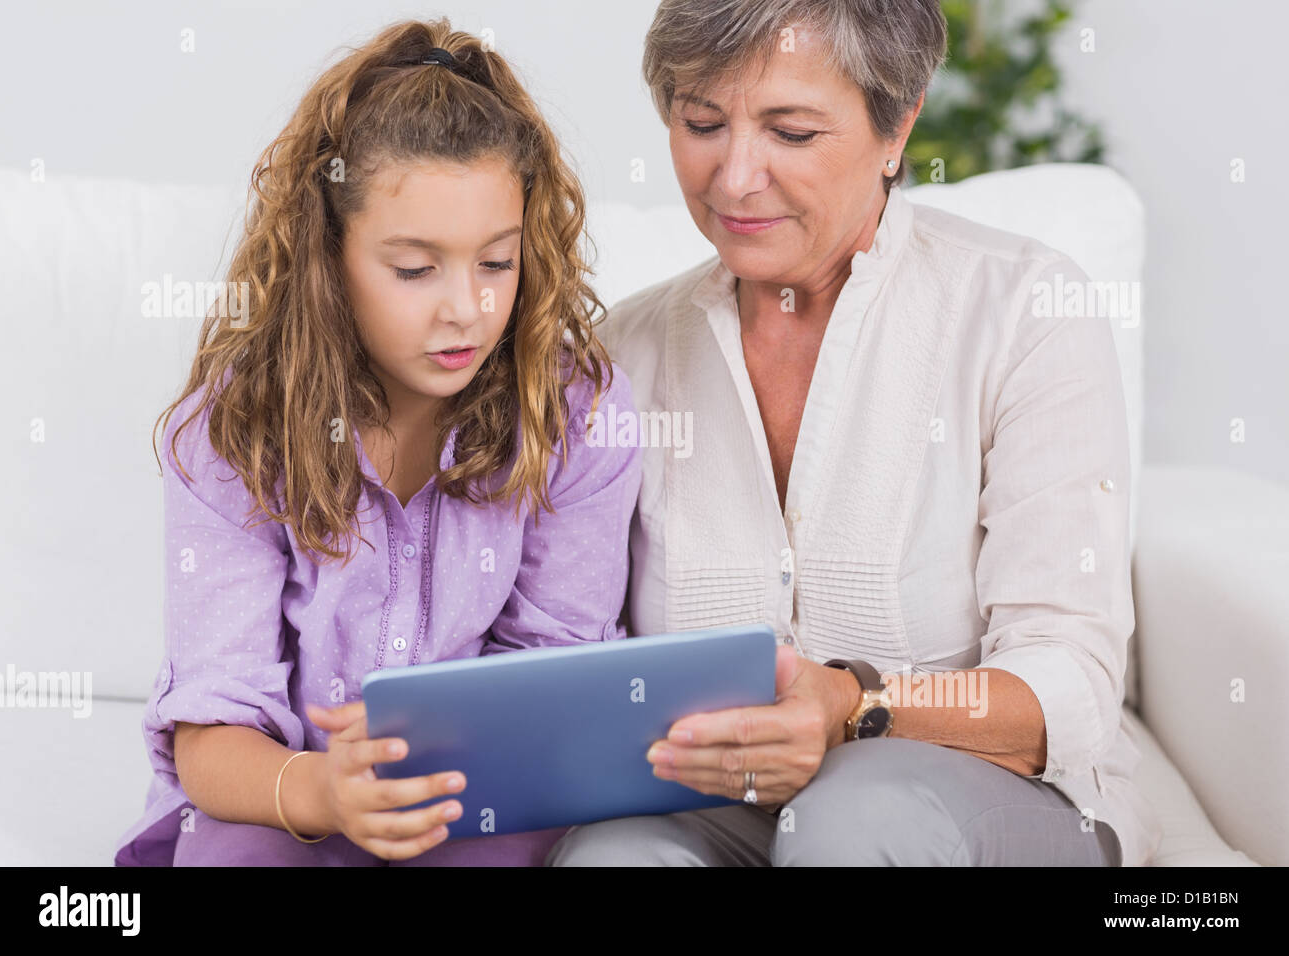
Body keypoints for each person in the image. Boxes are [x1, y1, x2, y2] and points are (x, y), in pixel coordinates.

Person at [548, 0, 1162, 866]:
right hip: (719, 806)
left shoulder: (1024, 310)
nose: (735, 177)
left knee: (852, 814)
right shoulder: (617, 357)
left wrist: (855, 704)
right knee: (614, 856)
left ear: (896, 126)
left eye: (791, 132)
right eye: (702, 123)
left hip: (994, 800)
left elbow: (1069, 688)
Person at [114, 18, 641, 866]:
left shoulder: (576, 414)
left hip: (482, 801)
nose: (465, 308)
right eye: (415, 269)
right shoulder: (235, 430)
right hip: (276, 796)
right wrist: (323, 792)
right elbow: (212, 734)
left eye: (495, 263)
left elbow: (557, 688)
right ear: (329, 255)